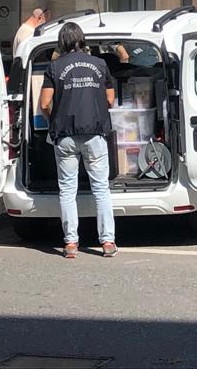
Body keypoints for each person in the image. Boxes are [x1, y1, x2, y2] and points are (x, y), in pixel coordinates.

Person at [39, 22, 118, 259]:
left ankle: (71, 243)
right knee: (101, 189)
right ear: (82, 40)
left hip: (64, 136)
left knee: (67, 190)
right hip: (94, 133)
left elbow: (43, 103)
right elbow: (110, 100)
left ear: (61, 42)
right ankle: (107, 242)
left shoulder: (54, 67)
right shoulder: (100, 64)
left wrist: (53, 117)